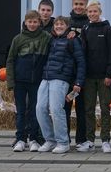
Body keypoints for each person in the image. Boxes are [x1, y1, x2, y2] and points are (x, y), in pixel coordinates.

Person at [36, 16, 86, 154]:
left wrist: (78, 82)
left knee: (56, 109)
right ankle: (50, 140)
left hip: (61, 78)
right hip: (46, 77)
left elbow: (81, 62)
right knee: (40, 108)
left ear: (67, 26)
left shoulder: (73, 40)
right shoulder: (51, 39)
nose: (58, 26)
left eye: (62, 24)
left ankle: (63, 142)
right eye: (56, 24)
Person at [7, 10, 51, 152]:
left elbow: (58, 37)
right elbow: (10, 60)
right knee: (21, 111)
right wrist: (10, 81)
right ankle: (20, 138)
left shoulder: (46, 37)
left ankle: (33, 139)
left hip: (37, 81)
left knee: (34, 110)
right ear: (25, 23)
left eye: (35, 22)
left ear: (39, 23)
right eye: (29, 22)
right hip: (20, 81)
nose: (32, 24)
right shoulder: (18, 39)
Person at [78, 1, 111, 153]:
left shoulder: (108, 29)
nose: (92, 14)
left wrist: (109, 74)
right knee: (89, 109)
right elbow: (82, 52)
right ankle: (90, 140)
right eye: (90, 12)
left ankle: (106, 140)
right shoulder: (85, 28)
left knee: (105, 108)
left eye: (95, 11)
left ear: (100, 12)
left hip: (103, 77)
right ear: (87, 14)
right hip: (88, 77)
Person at [64, 0, 89, 148]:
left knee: (82, 108)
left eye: (81, 4)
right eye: (76, 4)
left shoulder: (89, 22)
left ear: (85, 6)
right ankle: (64, 138)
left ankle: (81, 139)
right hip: (67, 72)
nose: (78, 7)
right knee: (65, 106)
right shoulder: (66, 22)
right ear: (72, 5)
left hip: (83, 71)